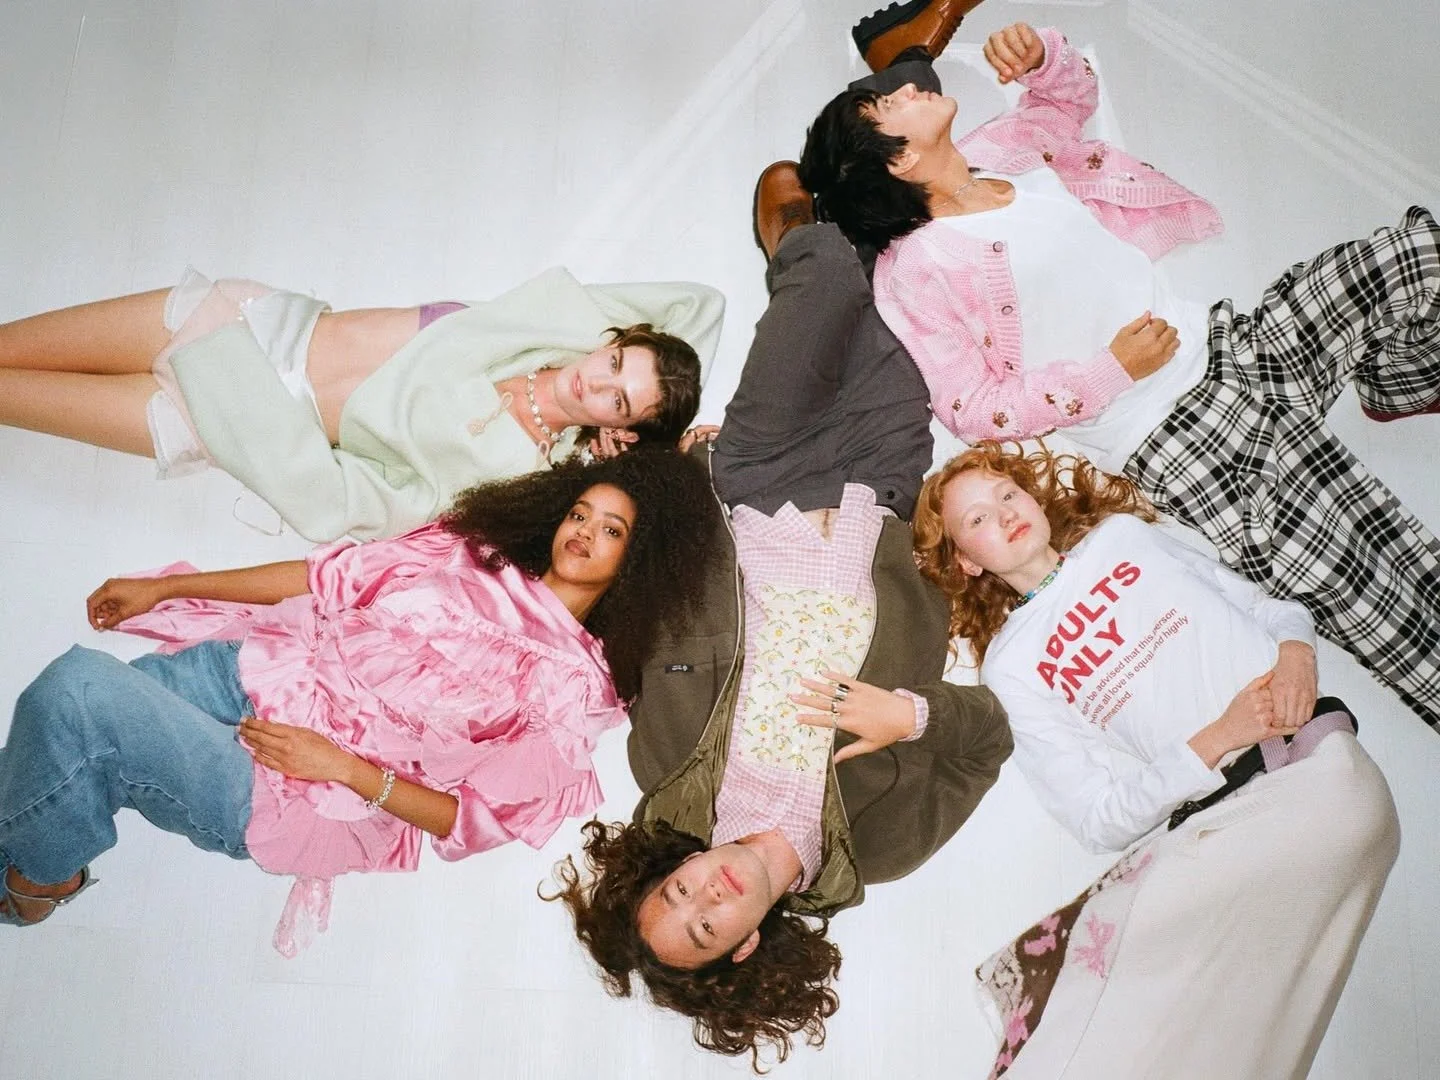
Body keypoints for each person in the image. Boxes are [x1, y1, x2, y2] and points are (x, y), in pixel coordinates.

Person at [799, 6, 1440, 730]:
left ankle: (1397, 383)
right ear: (898, 162)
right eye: (886, 106)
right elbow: (972, 407)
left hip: (1234, 343)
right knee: (1393, 596)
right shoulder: (915, 270)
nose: (905, 87)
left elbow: (1067, 104)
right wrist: (1112, 371)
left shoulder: (997, 150)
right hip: (1185, 435)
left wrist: (1041, 59)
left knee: (1417, 258)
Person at [547, 163, 1011, 1070]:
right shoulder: (881, 847)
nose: (704, 894)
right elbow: (988, 741)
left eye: (677, 893)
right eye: (707, 925)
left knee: (827, 266)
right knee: (905, 280)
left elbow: (641, 600)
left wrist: (669, 476)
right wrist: (910, 717)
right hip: (884, 495)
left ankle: (797, 233)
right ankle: (843, 214)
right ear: (745, 947)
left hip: (760, 481)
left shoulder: (664, 766)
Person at [0, 448, 718, 956]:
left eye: (611, 530)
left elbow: (474, 823)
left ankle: (37, 883)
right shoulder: (465, 553)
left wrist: (344, 767)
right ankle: (34, 870)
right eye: (581, 514)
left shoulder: (572, 689)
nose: (583, 533)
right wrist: (167, 588)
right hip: (250, 671)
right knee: (57, 753)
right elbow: (320, 579)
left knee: (76, 695)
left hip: (302, 788)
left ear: (637, 562)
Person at [911, 442, 1399, 1078]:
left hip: (1316, 773)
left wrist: (1297, 655)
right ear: (967, 562)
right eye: (977, 519)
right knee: (1205, 1041)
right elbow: (1098, 819)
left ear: (1033, 497)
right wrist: (1217, 737)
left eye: (1008, 494)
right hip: (1230, 819)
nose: (1004, 514)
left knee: (1087, 979)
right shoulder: (1012, 664)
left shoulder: (1124, 540)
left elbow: (1268, 609)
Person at [0, 267, 724, 541]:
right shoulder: (549, 325)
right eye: (616, 363)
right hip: (241, 321)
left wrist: (640, 462)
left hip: (223, 417)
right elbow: (704, 306)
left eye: (620, 403)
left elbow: (342, 506)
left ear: (622, 430)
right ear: (615, 340)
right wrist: (653, 422)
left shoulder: (513, 476)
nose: (599, 383)